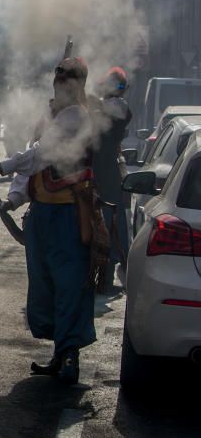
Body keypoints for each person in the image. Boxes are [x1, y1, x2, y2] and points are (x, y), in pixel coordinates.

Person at [0, 58, 97, 385]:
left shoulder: (75, 116)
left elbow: (39, 155)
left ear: (78, 84)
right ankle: (60, 353)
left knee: (69, 285)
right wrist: (12, 200)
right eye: (58, 77)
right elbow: (31, 163)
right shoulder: (50, 117)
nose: (60, 83)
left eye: (67, 79)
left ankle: (70, 353)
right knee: (45, 286)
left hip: (69, 217)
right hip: (44, 216)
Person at [90, 67, 132, 292]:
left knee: (112, 224)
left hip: (107, 173)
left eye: (117, 86)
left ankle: (113, 269)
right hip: (92, 169)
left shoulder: (118, 107)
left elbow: (109, 108)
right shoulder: (99, 108)